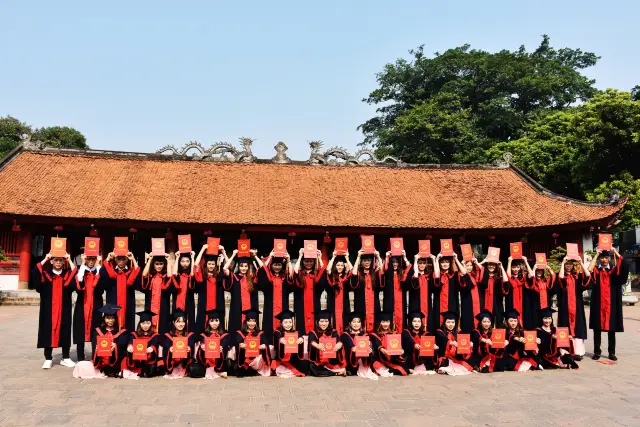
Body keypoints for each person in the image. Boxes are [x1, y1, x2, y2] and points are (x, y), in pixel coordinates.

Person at [31, 251, 77, 369]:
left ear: (63, 262)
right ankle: (48, 358)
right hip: (48, 309)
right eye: (55, 260)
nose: (58, 262)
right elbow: (34, 274)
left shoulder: (67, 275)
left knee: (65, 330)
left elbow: (76, 277)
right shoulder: (45, 275)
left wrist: (70, 259)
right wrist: (45, 258)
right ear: (51, 261)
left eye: (60, 260)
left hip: (64, 309)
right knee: (47, 330)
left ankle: (65, 357)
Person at [588, 247, 628, 361]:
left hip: (612, 305)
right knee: (597, 329)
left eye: (606, 257)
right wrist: (596, 255)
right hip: (598, 304)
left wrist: (615, 252)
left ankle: (612, 352)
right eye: (602, 258)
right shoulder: (596, 271)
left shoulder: (615, 271)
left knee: (612, 329)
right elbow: (588, 271)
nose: (604, 260)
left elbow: (625, 266)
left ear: (610, 258)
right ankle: (597, 351)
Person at [555, 255, 591, 360]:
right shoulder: (561, 275)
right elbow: (560, 278)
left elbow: (588, 275)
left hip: (577, 307)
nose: (568, 266)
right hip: (565, 306)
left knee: (578, 327)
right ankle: (565, 351)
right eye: (567, 264)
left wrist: (580, 262)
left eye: (570, 264)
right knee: (564, 326)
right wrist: (563, 261)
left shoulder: (577, 277)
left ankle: (578, 352)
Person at [223, 249, 261, 335]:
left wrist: (254, 255)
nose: (243, 268)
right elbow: (225, 268)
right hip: (237, 309)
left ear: (248, 267)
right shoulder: (235, 277)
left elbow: (262, 269)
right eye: (241, 266)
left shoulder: (252, 278)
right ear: (238, 267)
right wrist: (233, 255)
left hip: (250, 309)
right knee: (237, 328)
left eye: (245, 266)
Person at [100, 250, 140, 332]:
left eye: (124, 259)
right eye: (119, 259)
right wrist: (107, 259)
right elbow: (102, 276)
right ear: (115, 259)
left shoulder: (131, 272)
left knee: (128, 324)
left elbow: (138, 278)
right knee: (112, 323)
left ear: (127, 259)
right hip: (113, 301)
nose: (121, 261)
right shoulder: (110, 271)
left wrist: (133, 259)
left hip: (128, 302)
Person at [73, 253, 103, 362]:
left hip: (96, 305)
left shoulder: (98, 271)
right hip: (82, 305)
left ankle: (96, 357)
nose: (91, 261)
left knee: (96, 330)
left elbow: (101, 287)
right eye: (88, 259)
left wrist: (99, 265)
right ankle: (80, 358)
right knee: (80, 330)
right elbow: (78, 285)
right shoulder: (81, 271)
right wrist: (82, 263)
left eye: (93, 259)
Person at [259, 250, 294, 343]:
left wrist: (289, 260)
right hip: (269, 310)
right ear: (271, 265)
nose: (277, 267)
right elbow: (262, 272)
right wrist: (270, 257)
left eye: (279, 265)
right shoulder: (268, 278)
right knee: (268, 332)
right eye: (275, 265)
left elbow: (292, 276)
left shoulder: (284, 278)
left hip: (283, 309)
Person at [194, 244, 228, 335]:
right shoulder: (202, 277)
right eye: (209, 264)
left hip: (217, 307)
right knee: (202, 329)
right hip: (204, 307)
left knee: (218, 330)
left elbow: (228, 268)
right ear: (206, 265)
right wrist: (203, 248)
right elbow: (196, 265)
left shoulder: (219, 276)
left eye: (213, 264)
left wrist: (224, 252)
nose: (211, 266)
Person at [294, 248, 326, 335]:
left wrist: (319, 257)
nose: (308, 263)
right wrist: (300, 256)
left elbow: (324, 273)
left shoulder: (316, 273)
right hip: (301, 306)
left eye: (311, 261)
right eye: (306, 261)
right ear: (302, 262)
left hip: (314, 305)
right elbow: (294, 273)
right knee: (301, 328)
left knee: (315, 328)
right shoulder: (300, 273)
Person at [351, 250, 384, 333]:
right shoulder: (359, 274)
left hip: (374, 305)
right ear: (361, 262)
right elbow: (354, 273)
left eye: (369, 260)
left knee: (375, 326)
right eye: (364, 260)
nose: (367, 262)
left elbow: (383, 272)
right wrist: (358, 256)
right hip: (361, 304)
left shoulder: (375, 274)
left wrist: (378, 257)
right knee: (361, 325)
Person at [91, 304, 128, 377]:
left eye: (112, 318)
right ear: (104, 319)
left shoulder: (121, 332)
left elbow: (123, 346)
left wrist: (116, 345)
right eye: (108, 318)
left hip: (115, 361)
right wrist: (96, 348)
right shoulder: (98, 331)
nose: (110, 320)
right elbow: (94, 346)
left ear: (115, 319)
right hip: (101, 360)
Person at [140, 253, 172, 336]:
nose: (159, 266)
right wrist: (150, 259)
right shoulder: (151, 277)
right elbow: (144, 275)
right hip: (150, 305)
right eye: (157, 264)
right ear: (153, 265)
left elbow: (170, 276)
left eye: (161, 264)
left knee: (163, 326)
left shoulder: (165, 277)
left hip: (163, 305)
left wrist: (168, 260)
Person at [121, 310, 160, 379]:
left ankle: (141, 371)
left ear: (151, 324)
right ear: (140, 324)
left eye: (148, 323)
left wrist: (152, 348)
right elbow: (130, 341)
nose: (145, 326)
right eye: (143, 323)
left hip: (148, 360)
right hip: (136, 359)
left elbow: (155, 343)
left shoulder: (154, 335)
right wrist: (130, 346)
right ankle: (138, 371)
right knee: (125, 361)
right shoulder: (134, 334)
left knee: (151, 370)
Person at [340, 311, 378, 380]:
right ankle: (351, 369)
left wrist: (370, 350)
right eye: (354, 322)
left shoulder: (365, 335)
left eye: (358, 322)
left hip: (363, 361)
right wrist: (353, 349)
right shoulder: (345, 335)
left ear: (361, 324)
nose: (356, 324)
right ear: (349, 323)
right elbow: (348, 346)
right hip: (352, 362)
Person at [307, 310, 346, 376]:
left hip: (330, 360)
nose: (324, 324)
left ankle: (333, 371)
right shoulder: (313, 332)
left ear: (329, 322)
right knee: (313, 369)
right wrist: (317, 345)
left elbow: (338, 341)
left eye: (326, 321)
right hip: (318, 361)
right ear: (317, 322)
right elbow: (311, 341)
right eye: (321, 321)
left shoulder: (333, 332)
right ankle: (335, 373)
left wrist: (339, 344)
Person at [233, 309, 271, 377]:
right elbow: (237, 345)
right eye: (249, 321)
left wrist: (264, 346)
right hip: (244, 359)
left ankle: (252, 370)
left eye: (254, 321)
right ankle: (248, 369)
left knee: (262, 357)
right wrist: (241, 345)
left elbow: (266, 343)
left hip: (256, 360)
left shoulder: (260, 333)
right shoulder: (240, 333)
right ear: (246, 321)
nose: (252, 323)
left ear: (256, 322)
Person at [195, 309, 231, 379]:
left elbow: (224, 347)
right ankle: (218, 372)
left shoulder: (224, 334)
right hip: (206, 362)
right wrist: (202, 347)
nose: (214, 323)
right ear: (208, 322)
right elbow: (200, 352)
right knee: (193, 369)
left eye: (216, 320)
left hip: (219, 362)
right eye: (212, 321)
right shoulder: (204, 334)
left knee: (230, 365)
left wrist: (221, 349)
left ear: (219, 321)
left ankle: (215, 371)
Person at [435, 310, 473, 375]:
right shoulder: (439, 332)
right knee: (444, 364)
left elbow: (463, 343)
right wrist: (450, 342)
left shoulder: (459, 332)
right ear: (444, 322)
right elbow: (442, 339)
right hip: (445, 357)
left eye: (453, 322)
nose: (451, 324)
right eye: (448, 322)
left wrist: (469, 345)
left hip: (455, 358)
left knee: (466, 365)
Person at [272, 310, 308, 377]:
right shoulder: (277, 332)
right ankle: (290, 372)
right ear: (281, 323)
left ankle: (289, 372)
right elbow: (277, 337)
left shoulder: (296, 332)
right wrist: (280, 339)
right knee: (278, 367)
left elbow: (300, 337)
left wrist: (301, 339)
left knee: (305, 364)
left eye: (290, 322)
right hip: (282, 359)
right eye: (285, 322)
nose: (288, 324)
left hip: (294, 358)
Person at [370, 312, 407, 376]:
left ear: (390, 323)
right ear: (379, 323)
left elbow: (397, 346)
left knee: (404, 370)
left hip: (392, 359)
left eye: (387, 322)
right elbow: (377, 343)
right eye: (383, 322)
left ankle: (388, 370)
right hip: (379, 358)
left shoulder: (394, 333)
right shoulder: (374, 334)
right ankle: (388, 370)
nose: (385, 324)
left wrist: (401, 350)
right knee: (377, 366)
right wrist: (383, 350)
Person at [383, 250, 412, 332]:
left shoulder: (402, 274)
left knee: (401, 322)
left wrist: (405, 257)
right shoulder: (387, 275)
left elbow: (410, 270)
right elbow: (384, 269)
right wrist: (387, 257)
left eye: (397, 262)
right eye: (393, 262)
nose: (395, 264)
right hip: (389, 303)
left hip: (400, 304)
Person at [409, 254, 439, 333]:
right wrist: (415, 260)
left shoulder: (428, 276)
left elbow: (437, 278)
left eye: (423, 263)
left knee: (428, 325)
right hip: (416, 305)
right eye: (420, 263)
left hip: (427, 305)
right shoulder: (412, 276)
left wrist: (434, 260)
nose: (422, 265)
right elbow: (415, 281)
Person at [162, 310, 195, 378]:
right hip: (173, 363)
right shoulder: (168, 336)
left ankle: (183, 369)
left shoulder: (189, 335)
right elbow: (166, 349)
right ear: (173, 322)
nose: (181, 324)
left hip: (185, 363)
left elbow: (191, 346)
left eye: (183, 321)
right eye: (178, 322)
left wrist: (189, 348)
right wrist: (169, 349)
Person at [325, 252, 352, 332]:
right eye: (338, 265)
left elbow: (352, 270)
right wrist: (333, 257)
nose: (340, 267)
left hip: (344, 304)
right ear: (335, 266)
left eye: (341, 265)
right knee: (333, 322)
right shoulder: (332, 277)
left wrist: (347, 258)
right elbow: (328, 269)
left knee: (345, 321)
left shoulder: (346, 277)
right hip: (333, 303)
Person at [523, 261, 555, 330]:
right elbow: (530, 281)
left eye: (541, 271)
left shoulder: (545, 280)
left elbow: (553, 280)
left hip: (545, 306)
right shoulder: (531, 279)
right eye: (537, 271)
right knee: (535, 325)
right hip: (534, 307)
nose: (539, 272)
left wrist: (549, 269)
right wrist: (534, 269)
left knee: (546, 325)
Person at [476, 258, 508, 326]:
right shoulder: (483, 276)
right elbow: (476, 269)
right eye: (490, 264)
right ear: (487, 265)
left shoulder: (499, 278)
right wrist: (483, 261)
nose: (491, 266)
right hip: (485, 304)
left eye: (493, 265)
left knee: (498, 324)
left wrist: (501, 267)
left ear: (496, 266)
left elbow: (506, 281)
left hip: (497, 305)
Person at [504, 256, 533, 329]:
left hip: (522, 301)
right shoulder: (510, 278)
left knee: (523, 316)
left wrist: (525, 261)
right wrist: (509, 261)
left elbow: (532, 275)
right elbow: (507, 277)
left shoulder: (523, 277)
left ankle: (521, 331)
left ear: (520, 268)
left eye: (517, 267)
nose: (515, 269)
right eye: (513, 267)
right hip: (511, 301)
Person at [432, 254, 461, 327]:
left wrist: (456, 259)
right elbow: (437, 277)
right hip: (439, 305)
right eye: (442, 262)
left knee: (452, 326)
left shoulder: (455, 275)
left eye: (447, 262)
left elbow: (464, 273)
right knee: (439, 325)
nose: (445, 264)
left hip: (452, 305)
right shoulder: (436, 274)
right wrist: (436, 260)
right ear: (439, 264)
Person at [172, 251, 196, 331]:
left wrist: (192, 258)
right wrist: (177, 257)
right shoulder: (178, 275)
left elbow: (193, 274)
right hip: (178, 300)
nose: (185, 263)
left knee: (189, 319)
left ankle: (189, 338)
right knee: (177, 319)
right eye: (182, 261)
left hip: (189, 300)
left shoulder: (190, 275)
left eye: (187, 261)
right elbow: (174, 274)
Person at [457, 256, 482, 333]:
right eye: (467, 265)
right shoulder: (461, 276)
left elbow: (483, 273)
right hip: (467, 304)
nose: (469, 267)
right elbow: (469, 284)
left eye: (470, 265)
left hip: (477, 305)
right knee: (468, 325)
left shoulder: (476, 276)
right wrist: (462, 265)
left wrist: (478, 262)